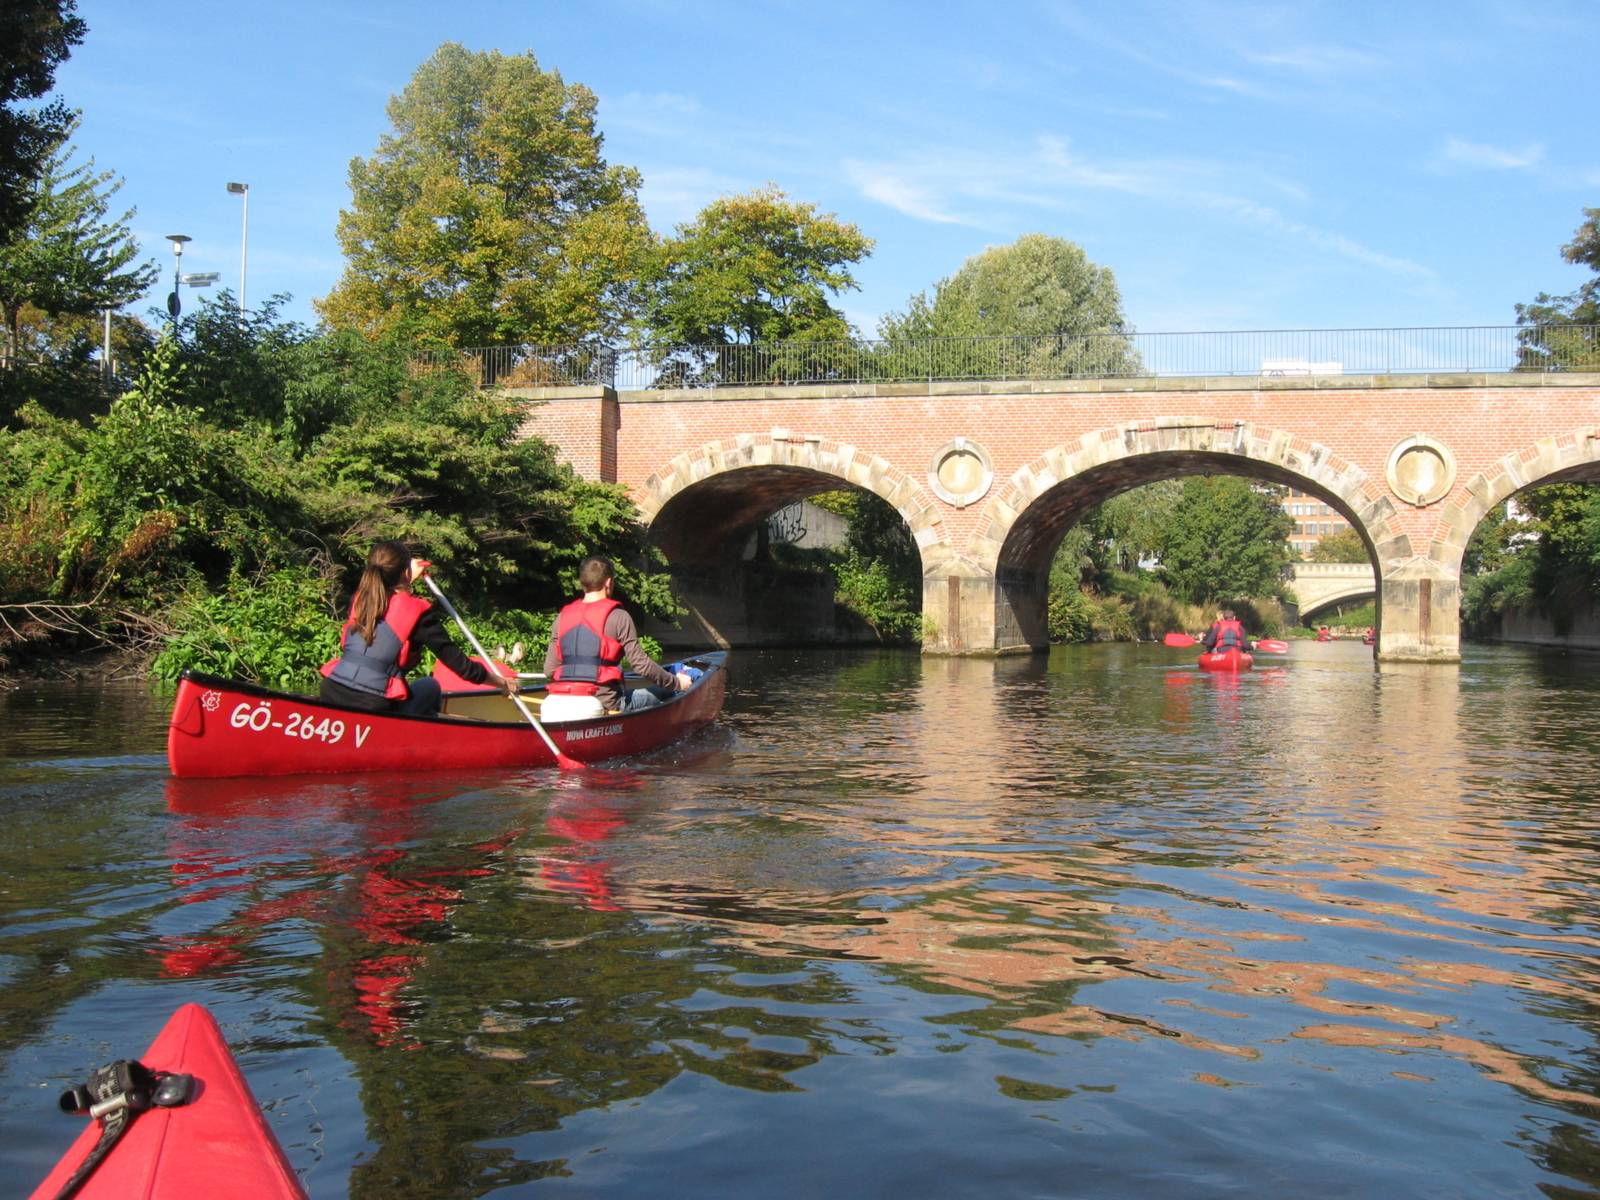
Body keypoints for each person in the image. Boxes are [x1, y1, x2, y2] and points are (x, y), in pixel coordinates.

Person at [320, 541, 517, 716]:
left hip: (331, 691)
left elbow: (388, 598)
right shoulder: (419, 614)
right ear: (404, 573)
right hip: (373, 705)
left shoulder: (361, 600)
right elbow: (461, 666)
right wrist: (502, 683)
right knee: (429, 686)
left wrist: (405, 578)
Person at [544, 556, 693, 713]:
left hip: (563, 699)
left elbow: (549, 670)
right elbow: (641, 666)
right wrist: (677, 683)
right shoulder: (619, 617)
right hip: (607, 704)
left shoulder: (562, 618)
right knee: (666, 691)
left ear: (582, 583)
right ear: (609, 582)